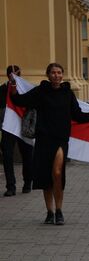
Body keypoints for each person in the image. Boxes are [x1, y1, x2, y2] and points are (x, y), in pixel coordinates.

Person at [11, 63, 89, 225]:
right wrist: (13, 83)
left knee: (57, 172)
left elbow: (77, 114)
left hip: (61, 139)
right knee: (46, 177)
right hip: (43, 139)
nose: (56, 75)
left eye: (59, 72)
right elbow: (19, 100)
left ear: (62, 75)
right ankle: (50, 211)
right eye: (53, 73)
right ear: (48, 75)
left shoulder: (67, 93)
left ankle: (59, 210)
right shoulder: (40, 91)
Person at [0, 65, 33, 196]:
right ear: (8, 75)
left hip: (24, 127)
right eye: (12, 75)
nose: (14, 77)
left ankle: (27, 183)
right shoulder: (2, 89)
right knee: (7, 157)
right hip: (8, 128)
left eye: (16, 75)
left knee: (27, 156)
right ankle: (10, 187)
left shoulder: (25, 88)